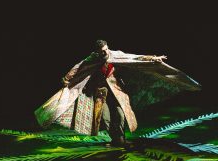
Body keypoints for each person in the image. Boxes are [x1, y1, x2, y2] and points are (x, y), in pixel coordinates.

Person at [35, 40, 167, 147]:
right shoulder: (92, 58)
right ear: (96, 52)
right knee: (105, 118)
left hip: (117, 91)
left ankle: (120, 140)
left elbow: (133, 58)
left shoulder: (115, 54)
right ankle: (116, 140)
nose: (104, 53)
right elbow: (78, 67)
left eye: (105, 50)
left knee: (120, 115)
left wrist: (153, 58)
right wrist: (67, 78)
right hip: (100, 93)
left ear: (107, 47)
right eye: (101, 51)